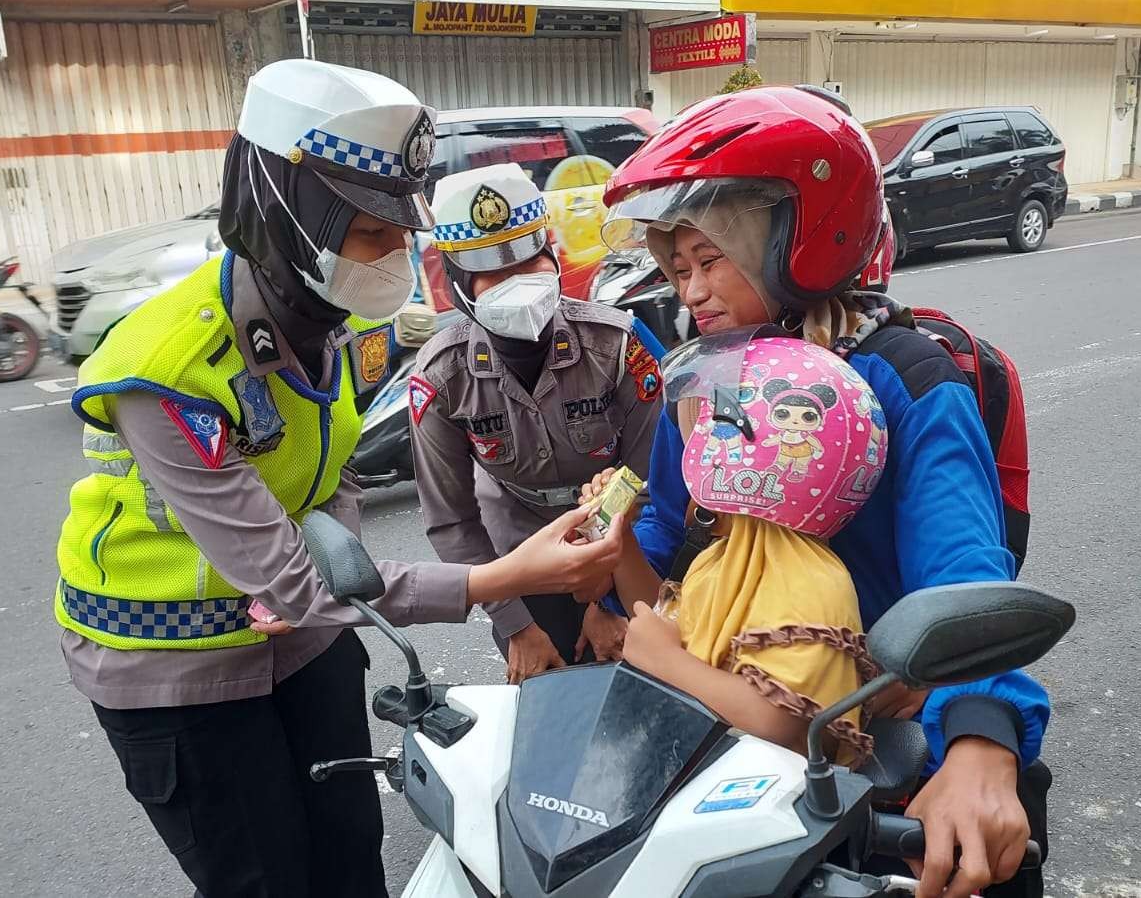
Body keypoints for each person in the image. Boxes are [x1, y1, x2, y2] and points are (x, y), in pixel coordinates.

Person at [52, 60, 621, 898]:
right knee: (268, 878)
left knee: (353, 857)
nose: (396, 255)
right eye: (370, 233)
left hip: (304, 645)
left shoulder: (339, 327)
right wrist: (503, 582)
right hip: (176, 669)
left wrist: (332, 577)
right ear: (290, 214)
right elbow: (287, 576)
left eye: (400, 232)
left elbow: (335, 470)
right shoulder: (165, 370)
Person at [595, 85, 1053, 898]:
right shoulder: (704, 381)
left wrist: (983, 742)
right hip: (723, 706)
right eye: (677, 268)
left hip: (875, 723)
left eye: (711, 260)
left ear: (801, 240)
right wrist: (603, 564)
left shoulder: (906, 376)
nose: (690, 292)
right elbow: (672, 524)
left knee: (980, 863)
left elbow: (965, 574)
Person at [410, 163, 664, 682]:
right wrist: (516, 627)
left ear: (552, 256)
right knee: (549, 695)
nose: (519, 285)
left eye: (530, 263)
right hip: (518, 554)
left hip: (623, 536)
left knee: (645, 683)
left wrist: (607, 595)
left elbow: (648, 471)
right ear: (460, 286)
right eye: (495, 275)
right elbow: (452, 521)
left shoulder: (615, 345)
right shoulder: (442, 376)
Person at [601, 332, 887, 766]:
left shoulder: (809, 582)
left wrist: (665, 662)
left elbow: (775, 718)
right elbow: (658, 622)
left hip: (780, 811)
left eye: (696, 437)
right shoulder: (722, 558)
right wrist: (620, 542)